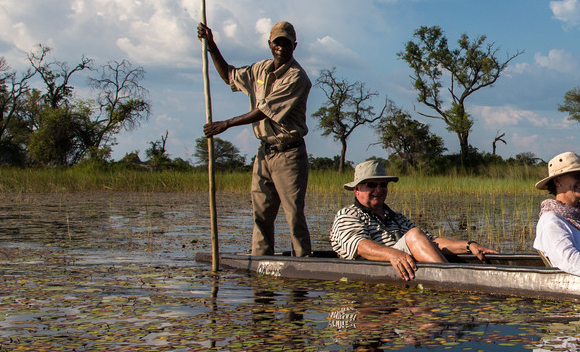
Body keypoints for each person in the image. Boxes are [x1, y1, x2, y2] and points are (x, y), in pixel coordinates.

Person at [198, 20, 312, 257]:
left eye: (286, 43)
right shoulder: (259, 69)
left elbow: (265, 110)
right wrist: (211, 46)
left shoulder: (296, 77)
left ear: (294, 46)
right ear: (270, 44)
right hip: (264, 152)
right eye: (277, 42)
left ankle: (302, 263)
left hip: (289, 153)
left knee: (293, 214)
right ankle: (262, 262)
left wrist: (226, 124)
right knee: (261, 213)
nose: (281, 47)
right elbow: (229, 76)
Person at [329, 159, 498, 280]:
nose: (379, 190)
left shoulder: (396, 217)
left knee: (417, 235)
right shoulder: (348, 215)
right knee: (414, 235)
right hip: (372, 273)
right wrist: (393, 254)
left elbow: (429, 242)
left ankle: (451, 278)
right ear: (357, 189)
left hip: (403, 268)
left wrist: (468, 245)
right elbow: (360, 246)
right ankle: (453, 281)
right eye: (372, 185)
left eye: (383, 185)